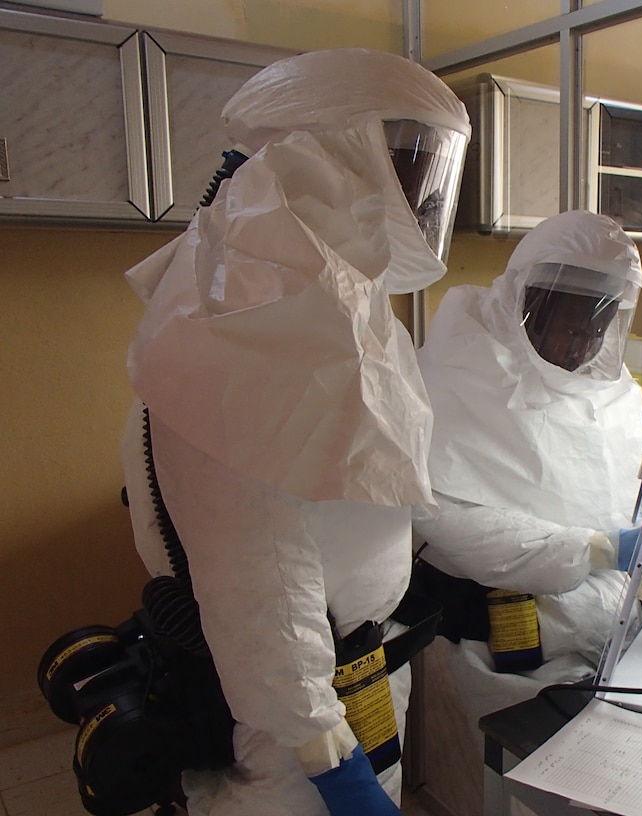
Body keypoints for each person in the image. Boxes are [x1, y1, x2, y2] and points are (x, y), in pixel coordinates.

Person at [119, 49, 470, 816]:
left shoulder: (339, 303)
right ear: (330, 153)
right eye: (404, 160)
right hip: (288, 733)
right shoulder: (234, 323)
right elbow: (257, 580)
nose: (419, 193)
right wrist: (322, 756)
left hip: (354, 674)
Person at [411, 209, 642, 752]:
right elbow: (443, 526)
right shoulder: (458, 376)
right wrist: (609, 548)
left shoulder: (606, 390)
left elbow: (613, 494)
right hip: (503, 646)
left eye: (599, 330)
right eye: (574, 328)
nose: (584, 348)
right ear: (530, 303)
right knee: (517, 779)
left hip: (601, 633)